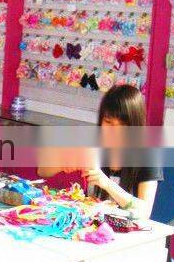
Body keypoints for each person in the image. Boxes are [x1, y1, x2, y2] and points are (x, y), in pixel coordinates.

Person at [38, 84, 162, 219]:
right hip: (91, 225)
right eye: (108, 122)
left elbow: (144, 212)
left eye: (122, 125)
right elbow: (42, 171)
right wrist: (63, 164)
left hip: (129, 228)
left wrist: (107, 184)